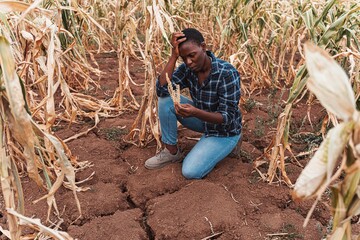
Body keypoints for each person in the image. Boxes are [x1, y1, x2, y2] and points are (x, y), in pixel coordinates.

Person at [145, 28, 242, 179]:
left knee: (190, 171)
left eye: (192, 55)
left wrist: (195, 112)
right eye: (184, 58)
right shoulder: (188, 69)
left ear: (203, 47)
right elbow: (162, 89)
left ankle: (229, 144)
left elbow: (227, 117)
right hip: (203, 120)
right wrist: (173, 57)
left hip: (224, 131)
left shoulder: (227, 73)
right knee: (166, 100)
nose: (189, 62)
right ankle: (171, 152)